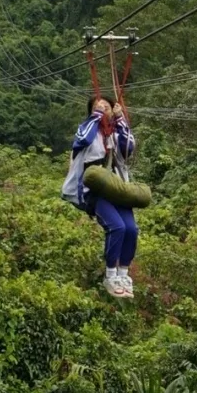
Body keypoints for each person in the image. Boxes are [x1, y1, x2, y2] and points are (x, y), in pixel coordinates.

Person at [61, 92, 138, 297]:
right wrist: (95, 116)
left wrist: (120, 119)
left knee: (131, 229)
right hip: (93, 191)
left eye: (107, 107)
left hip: (115, 187)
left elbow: (129, 147)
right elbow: (82, 140)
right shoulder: (87, 130)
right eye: (99, 106)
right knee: (117, 227)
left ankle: (123, 274)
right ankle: (110, 275)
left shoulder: (115, 134)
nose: (104, 109)